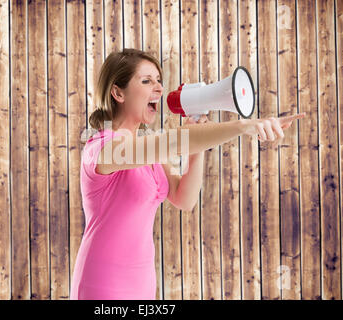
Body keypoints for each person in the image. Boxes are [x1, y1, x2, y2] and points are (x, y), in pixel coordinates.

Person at [70, 48, 305, 300]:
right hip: (102, 281)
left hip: (142, 281)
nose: (159, 88)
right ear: (118, 92)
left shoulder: (147, 152)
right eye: (147, 80)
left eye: (159, 80)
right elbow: (172, 142)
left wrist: (197, 145)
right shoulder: (103, 148)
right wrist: (243, 126)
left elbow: (185, 199)